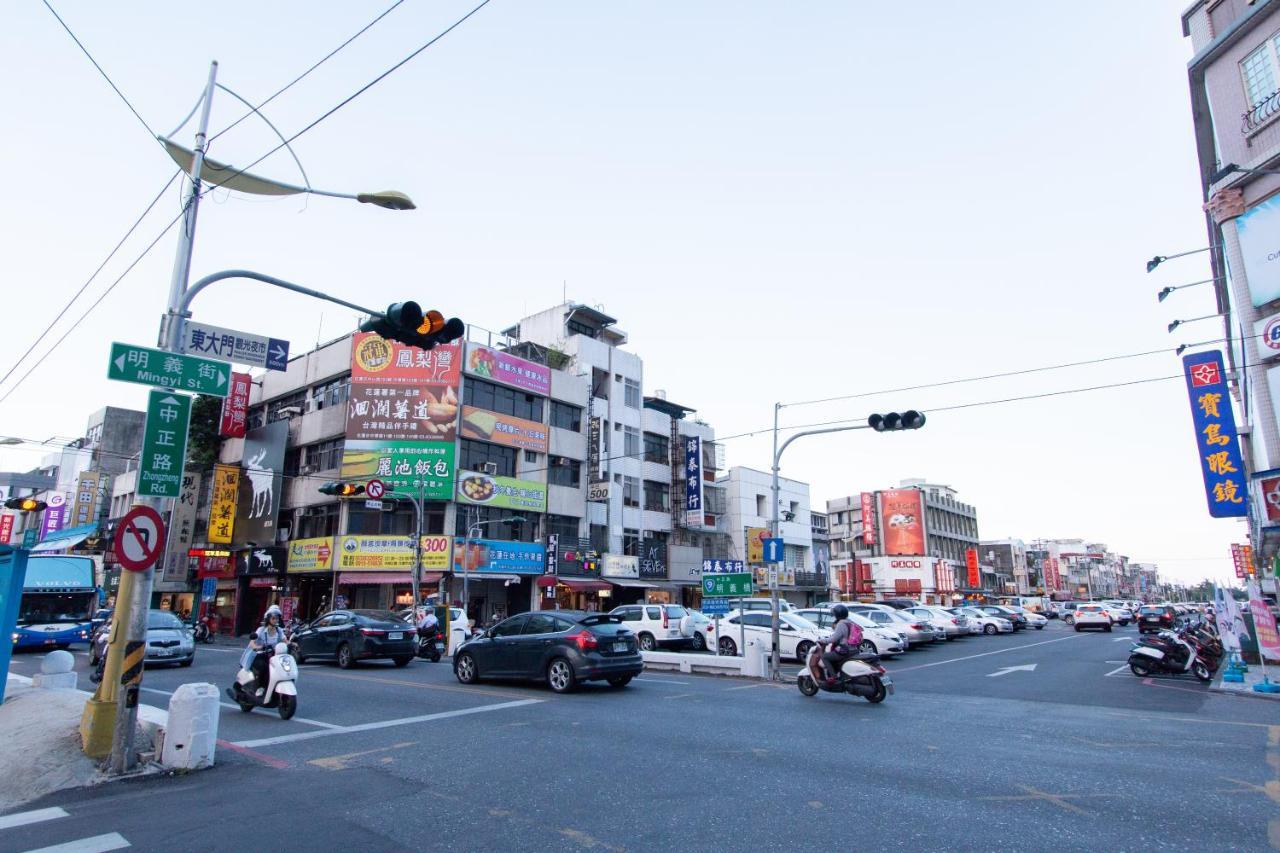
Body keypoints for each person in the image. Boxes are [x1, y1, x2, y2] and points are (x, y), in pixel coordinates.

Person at [249, 606, 288, 695]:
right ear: (268, 619)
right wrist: (258, 647)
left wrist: (291, 644)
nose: (275, 620)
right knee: (265, 667)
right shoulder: (261, 630)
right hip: (261, 655)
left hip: (274, 655)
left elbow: (285, 640)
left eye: (277, 618)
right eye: (273, 618)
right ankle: (260, 687)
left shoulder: (279, 630)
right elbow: (252, 643)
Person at [819, 605, 862, 683]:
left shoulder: (841, 624)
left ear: (838, 614)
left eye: (835, 614)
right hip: (854, 650)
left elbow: (833, 639)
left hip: (845, 650)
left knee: (824, 656)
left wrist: (822, 641)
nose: (834, 616)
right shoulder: (850, 622)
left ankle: (833, 676)